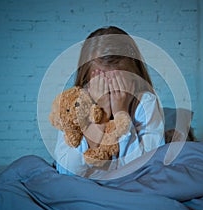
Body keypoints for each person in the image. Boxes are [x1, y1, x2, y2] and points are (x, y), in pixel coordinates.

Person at [54, 26, 165, 178]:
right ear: (87, 80)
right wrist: (101, 118)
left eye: (119, 82)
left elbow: (148, 168)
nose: (110, 91)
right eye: (102, 82)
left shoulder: (146, 102)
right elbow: (66, 171)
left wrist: (122, 114)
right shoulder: (74, 104)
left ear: (133, 77)